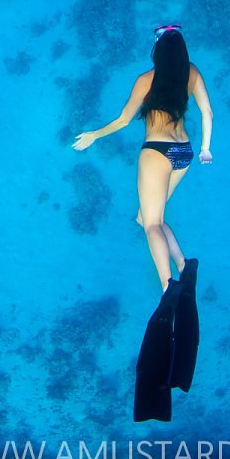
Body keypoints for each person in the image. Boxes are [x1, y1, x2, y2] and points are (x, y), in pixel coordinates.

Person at [72, 24, 213, 290]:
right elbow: (208, 112)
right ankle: (184, 265)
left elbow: (124, 120)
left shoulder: (145, 79)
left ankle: (167, 288)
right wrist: (206, 148)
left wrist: (94, 135)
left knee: (152, 225)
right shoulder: (192, 73)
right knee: (144, 218)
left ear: (157, 50)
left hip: (157, 152)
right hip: (184, 152)